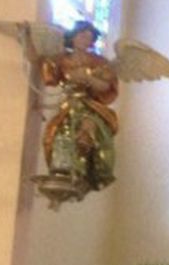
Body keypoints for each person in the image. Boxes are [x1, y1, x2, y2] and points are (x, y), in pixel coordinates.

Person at [39, 21, 120, 193]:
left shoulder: (99, 62)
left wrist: (89, 79)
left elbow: (106, 87)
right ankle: (63, 170)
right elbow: (50, 77)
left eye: (89, 37)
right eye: (82, 35)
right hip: (68, 105)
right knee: (61, 133)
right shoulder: (61, 59)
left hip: (90, 105)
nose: (85, 40)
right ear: (73, 37)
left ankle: (84, 170)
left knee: (88, 128)